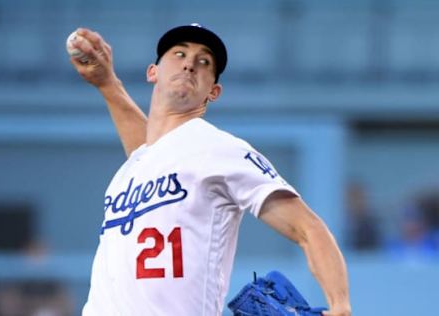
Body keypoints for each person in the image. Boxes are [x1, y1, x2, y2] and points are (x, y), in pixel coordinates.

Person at [69, 23, 351, 316]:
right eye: (179, 54)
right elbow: (152, 153)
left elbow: (308, 227)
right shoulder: (133, 169)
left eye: (204, 62)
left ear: (213, 92)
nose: (190, 63)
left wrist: (340, 305)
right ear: (152, 72)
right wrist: (107, 84)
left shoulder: (219, 149)